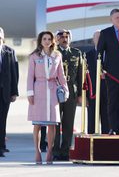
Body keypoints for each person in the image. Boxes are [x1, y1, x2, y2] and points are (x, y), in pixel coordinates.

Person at [27, 31, 69, 164]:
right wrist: (30, 93)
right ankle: (37, 151)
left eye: (49, 39)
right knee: (37, 123)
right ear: (40, 41)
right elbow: (29, 76)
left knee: (52, 124)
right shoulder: (34, 56)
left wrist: (65, 89)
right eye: (44, 39)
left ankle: (50, 151)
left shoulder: (57, 55)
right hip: (38, 89)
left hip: (52, 90)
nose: (46, 41)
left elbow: (61, 75)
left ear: (52, 41)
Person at [53, 29, 82, 161]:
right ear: (57, 39)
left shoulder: (77, 53)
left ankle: (66, 151)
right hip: (55, 89)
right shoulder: (53, 53)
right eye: (61, 36)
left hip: (71, 90)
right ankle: (55, 151)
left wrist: (81, 94)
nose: (65, 39)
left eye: (67, 36)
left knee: (69, 122)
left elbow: (81, 75)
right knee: (55, 122)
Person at [0, 27, 19, 157]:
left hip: (5, 92)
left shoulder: (9, 52)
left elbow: (14, 73)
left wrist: (14, 92)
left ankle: (1, 146)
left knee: (2, 119)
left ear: (3, 37)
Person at [86, 30, 109, 134]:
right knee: (92, 121)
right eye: (97, 37)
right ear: (93, 39)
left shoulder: (110, 55)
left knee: (107, 121)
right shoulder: (86, 56)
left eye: (101, 37)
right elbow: (84, 77)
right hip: (92, 94)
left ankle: (106, 144)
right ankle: (91, 143)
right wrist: (85, 96)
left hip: (108, 94)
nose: (99, 40)